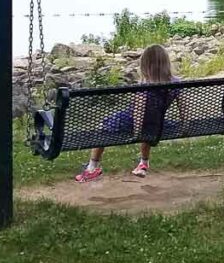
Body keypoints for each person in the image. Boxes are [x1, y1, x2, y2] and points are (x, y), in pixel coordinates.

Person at [74, 44, 183, 183]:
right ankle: (143, 163)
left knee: (103, 126)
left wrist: (136, 133)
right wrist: (185, 125)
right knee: (148, 129)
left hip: (132, 119)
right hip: (157, 122)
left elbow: (139, 111)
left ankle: (92, 167)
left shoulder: (144, 85)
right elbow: (183, 106)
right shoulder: (177, 82)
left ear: (145, 66)